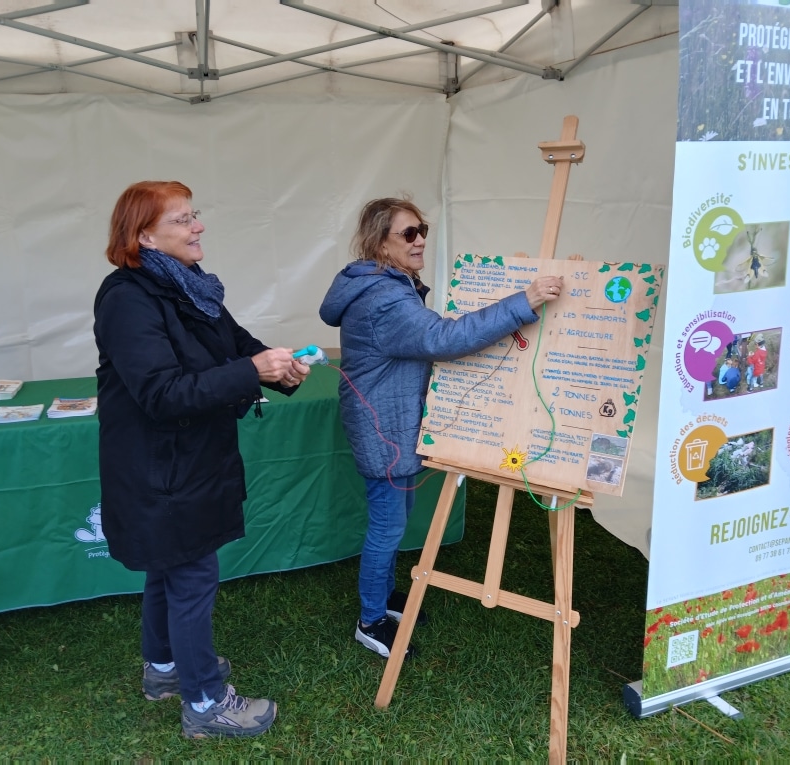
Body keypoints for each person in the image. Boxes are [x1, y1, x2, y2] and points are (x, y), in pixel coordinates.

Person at [93, 180, 311, 739]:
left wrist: (277, 370)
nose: (199, 227)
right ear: (145, 236)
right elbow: (162, 393)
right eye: (184, 219)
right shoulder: (126, 297)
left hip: (191, 461)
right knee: (190, 573)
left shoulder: (191, 287)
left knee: (171, 568)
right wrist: (251, 372)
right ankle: (206, 704)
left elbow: (238, 347)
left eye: (196, 215)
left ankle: (165, 670)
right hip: (159, 469)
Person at [319, 197, 564, 659]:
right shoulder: (384, 297)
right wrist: (523, 302)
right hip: (384, 426)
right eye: (408, 234)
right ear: (380, 243)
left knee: (395, 517)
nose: (421, 240)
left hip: (388, 419)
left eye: (423, 229)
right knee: (388, 525)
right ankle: (371, 621)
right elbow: (443, 339)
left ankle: (385, 598)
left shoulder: (384, 283)